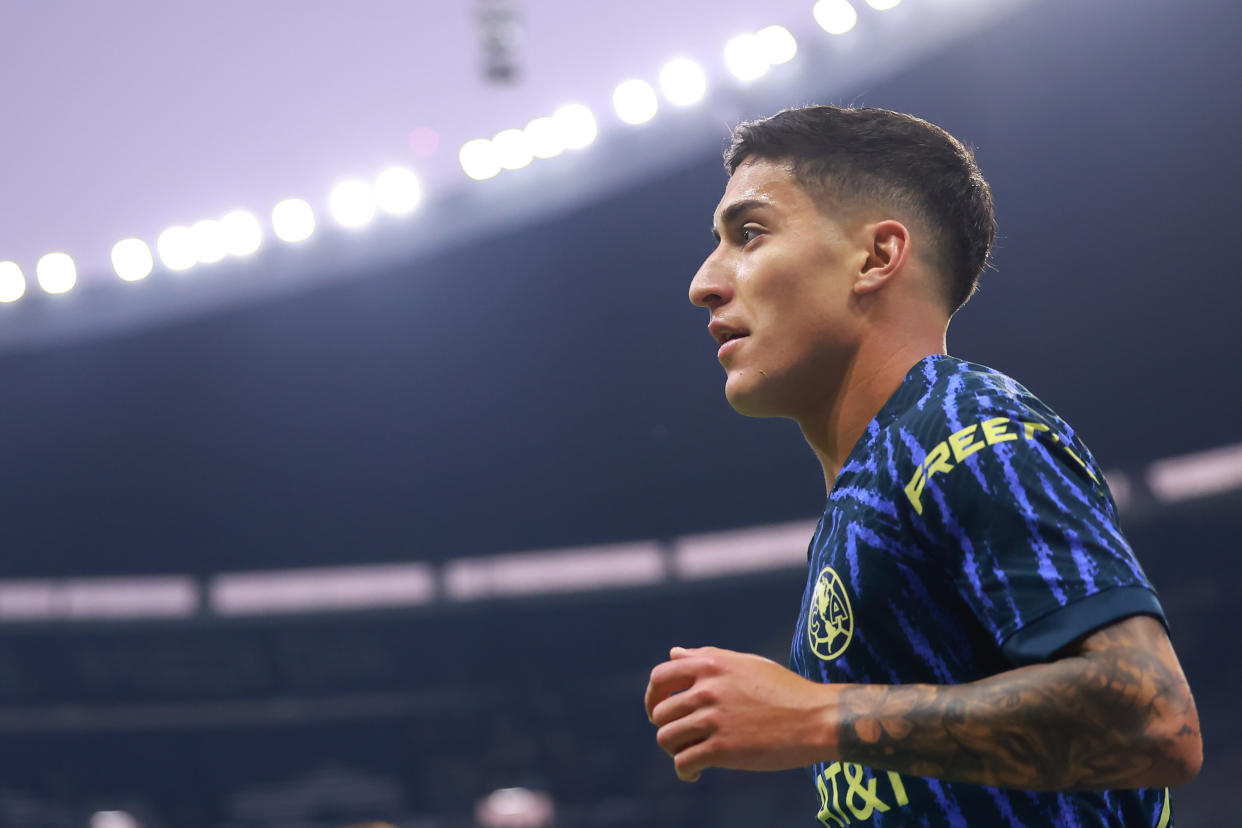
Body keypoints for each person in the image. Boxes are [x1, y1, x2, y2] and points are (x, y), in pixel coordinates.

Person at [643, 105, 1202, 826]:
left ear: (876, 258)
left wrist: (815, 715)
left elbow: (1155, 721)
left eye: (749, 234)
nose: (704, 282)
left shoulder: (965, 421)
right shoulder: (868, 487)